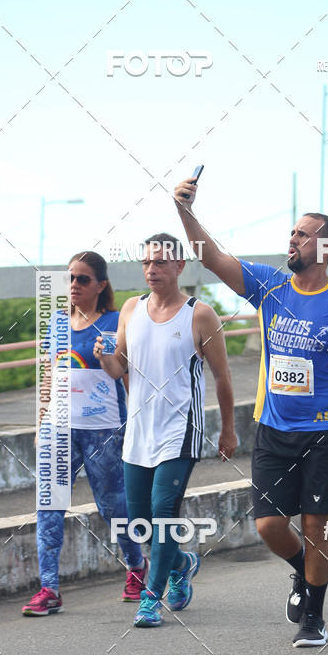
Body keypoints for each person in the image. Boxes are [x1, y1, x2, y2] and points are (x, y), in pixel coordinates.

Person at [173, 177, 328, 648]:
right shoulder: (270, 286)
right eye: (292, 233)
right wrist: (185, 211)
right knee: (270, 526)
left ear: (327, 247)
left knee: (316, 525)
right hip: (274, 428)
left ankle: (313, 618)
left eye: (303, 234)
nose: (292, 239)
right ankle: (304, 571)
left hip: (325, 431)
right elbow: (210, 257)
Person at [96, 233, 237, 628]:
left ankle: (150, 599)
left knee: (163, 513)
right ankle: (181, 564)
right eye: (146, 263)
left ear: (180, 266)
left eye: (160, 262)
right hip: (140, 430)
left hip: (181, 430)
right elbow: (119, 368)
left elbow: (223, 378)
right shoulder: (130, 309)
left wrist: (228, 431)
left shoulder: (200, 314)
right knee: (141, 521)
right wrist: (107, 359)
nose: (152, 269)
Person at [22, 251, 147, 616]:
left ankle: (137, 568)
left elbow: (124, 374)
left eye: (83, 279)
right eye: (70, 278)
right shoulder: (57, 323)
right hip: (58, 431)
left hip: (104, 430)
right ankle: (49, 589)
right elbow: (48, 376)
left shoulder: (114, 321)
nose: (74, 285)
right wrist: (41, 422)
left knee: (113, 508)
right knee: (49, 507)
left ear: (101, 285)